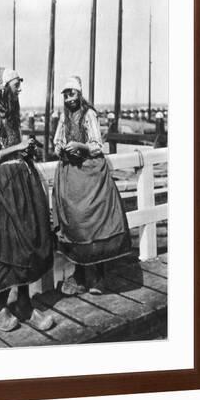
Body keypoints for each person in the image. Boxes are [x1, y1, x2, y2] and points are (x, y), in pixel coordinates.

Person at [0, 67, 54, 332]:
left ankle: (23, 303)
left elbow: (11, 149)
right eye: (18, 82)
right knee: (9, 245)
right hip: (0, 188)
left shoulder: (11, 115)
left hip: (20, 182)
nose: (20, 87)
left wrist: (25, 151)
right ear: (4, 86)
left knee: (29, 239)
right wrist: (17, 148)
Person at [52, 76, 131, 295]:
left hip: (90, 173)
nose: (69, 99)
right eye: (66, 95)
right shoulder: (63, 117)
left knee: (96, 223)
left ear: (80, 94)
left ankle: (99, 276)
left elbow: (97, 145)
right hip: (70, 175)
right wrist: (61, 148)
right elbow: (57, 141)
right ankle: (78, 275)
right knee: (76, 224)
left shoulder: (89, 114)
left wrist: (80, 146)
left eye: (72, 94)